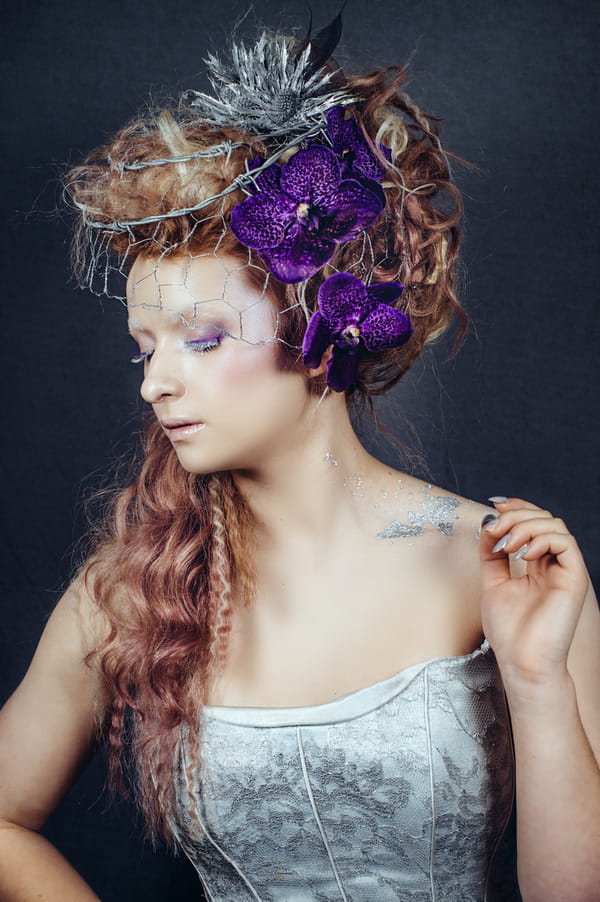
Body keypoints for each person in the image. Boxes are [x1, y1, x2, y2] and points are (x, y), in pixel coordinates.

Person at [0, 21, 599, 902]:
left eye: (202, 340)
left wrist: (539, 677)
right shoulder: (129, 588)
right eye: (144, 348)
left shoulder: (510, 569)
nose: (156, 385)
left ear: (326, 328)